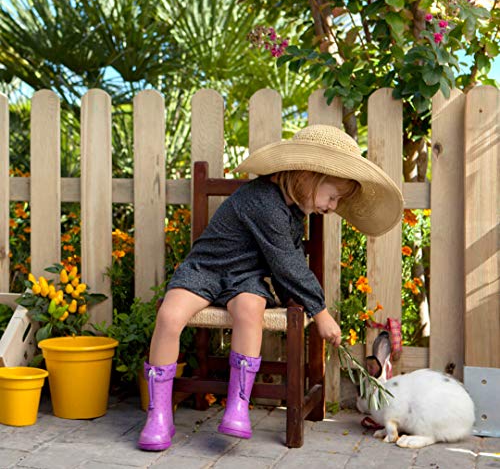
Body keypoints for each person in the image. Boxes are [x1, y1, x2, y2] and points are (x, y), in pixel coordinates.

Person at [137, 124, 403, 451]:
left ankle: (238, 403)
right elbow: (287, 263)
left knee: (251, 309)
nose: (333, 207)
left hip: (244, 277)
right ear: (309, 176)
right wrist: (320, 312)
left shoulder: (293, 212)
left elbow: (281, 265)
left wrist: (296, 301)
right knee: (169, 315)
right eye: (332, 197)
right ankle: (158, 414)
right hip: (205, 268)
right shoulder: (262, 199)